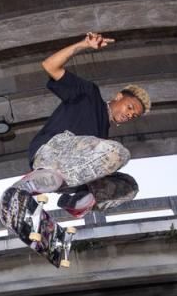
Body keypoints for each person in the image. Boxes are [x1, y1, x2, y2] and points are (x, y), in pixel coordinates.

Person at [10, 32, 151, 218]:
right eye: (129, 107)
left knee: (128, 186)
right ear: (119, 96)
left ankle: (76, 201)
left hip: (68, 178)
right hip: (51, 152)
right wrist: (83, 45)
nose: (128, 115)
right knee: (118, 153)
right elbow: (49, 65)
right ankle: (38, 181)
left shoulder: (103, 134)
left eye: (133, 115)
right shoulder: (89, 94)